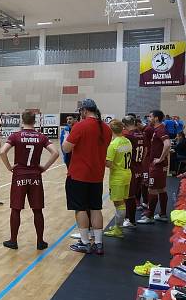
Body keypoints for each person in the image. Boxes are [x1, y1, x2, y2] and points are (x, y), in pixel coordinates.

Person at [0, 111, 59, 250]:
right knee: (37, 210)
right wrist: (44, 167)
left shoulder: (16, 136)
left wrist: (9, 167)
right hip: (35, 176)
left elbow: (2, 152)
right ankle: (40, 242)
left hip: (19, 175)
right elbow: (55, 153)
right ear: (35, 121)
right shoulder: (41, 137)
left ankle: (13, 241)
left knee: (16, 209)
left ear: (22, 120)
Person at [61, 99, 111, 255]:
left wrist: (66, 138)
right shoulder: (106, 128)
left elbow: (66, 148)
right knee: (96, 208)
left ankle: (84, 242)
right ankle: (98, 243)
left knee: (80, 208)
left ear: (84, 111)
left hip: (79, 174)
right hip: (97, 175)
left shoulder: (80, 126)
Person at [137, 110, 171, 224]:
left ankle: (149, 216)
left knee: (152, 189)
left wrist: (160, 158)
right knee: (161, 189)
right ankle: (162, 214)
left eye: (150, 116)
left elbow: (167, 144)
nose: (148, 119)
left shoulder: (160, 129)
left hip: (158, 166)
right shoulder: (157, 129)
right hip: (160, 165)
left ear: (156, 118)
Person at [103, 120, 132, 239]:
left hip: (117, 177)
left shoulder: (113, 144)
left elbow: (108, 163)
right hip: (127, 173)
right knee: (122, 202)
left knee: (118, 203)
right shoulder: (127, 141)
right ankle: (117, 226)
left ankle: (118, 229)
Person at [122, 116, 146, 228]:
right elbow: (145, 150)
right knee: (132, 195)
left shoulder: (128, 136)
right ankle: (129, 218)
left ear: (125, 125)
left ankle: (130, 220)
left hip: (131, 168)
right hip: (139, 167)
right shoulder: (141, 133)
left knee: (129, 196)